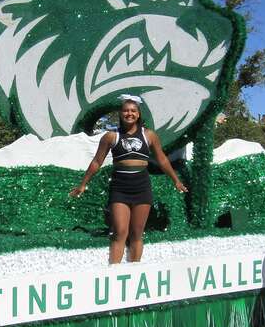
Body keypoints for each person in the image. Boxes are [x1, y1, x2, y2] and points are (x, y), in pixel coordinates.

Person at [70, 95, 188, 263]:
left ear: (138, 114)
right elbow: (97, 161)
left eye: (133, 111)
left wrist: (175, 180)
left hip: (141, 186)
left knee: (137, 234)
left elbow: (162, 159)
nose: (129, 113)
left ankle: (134, 272)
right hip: (120, 187)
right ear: (120, 114)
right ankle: (115, 272)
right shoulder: (110, 136)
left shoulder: (149, 135)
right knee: (120, 232)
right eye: (125, 110)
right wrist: (83, 184)